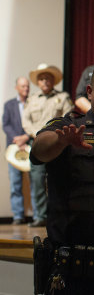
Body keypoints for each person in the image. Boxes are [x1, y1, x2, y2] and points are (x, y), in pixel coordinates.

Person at [30, 61, 94, 294]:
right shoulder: (69, 126)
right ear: (89, 91)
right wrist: (61, 141)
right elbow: (39, 150)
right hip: (74, 273)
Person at [22, 64, 74, 227]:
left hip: (57, 143)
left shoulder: (63, 97)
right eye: (42, 79)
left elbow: (69, 116)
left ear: (53, 81)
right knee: (37, 180)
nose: (45, 81)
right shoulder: (32, 100)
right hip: (36, 143)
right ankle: (40, 216)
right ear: (38, 82)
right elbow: (26, 121)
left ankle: (57, 214)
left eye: (48, 78)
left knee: (58, 179)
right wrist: (37, 135)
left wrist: (53, 136)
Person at [2, 77, 30, 225]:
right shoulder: (9, 105)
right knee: (15, 184)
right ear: (16, 88)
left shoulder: (33, 102)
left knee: (36, 183)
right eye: (23, 86)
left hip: (31, 146)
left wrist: (26, 138)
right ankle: (18, 216)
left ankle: (39, 217)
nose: (26, 88)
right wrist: (17, 139)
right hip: (13, 149)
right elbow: (5, 124)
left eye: (27, 86)